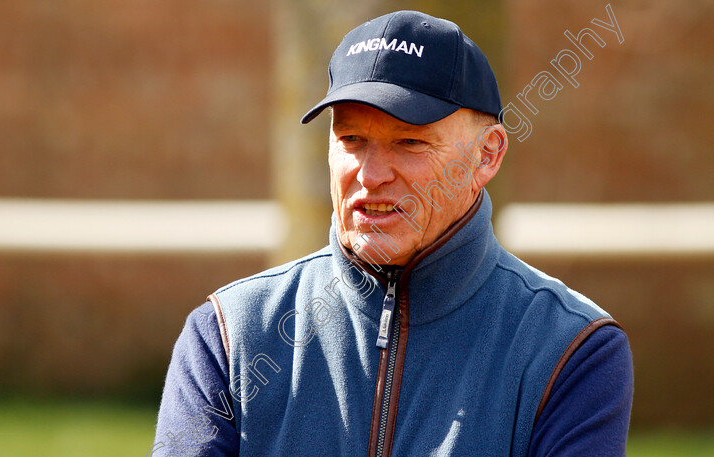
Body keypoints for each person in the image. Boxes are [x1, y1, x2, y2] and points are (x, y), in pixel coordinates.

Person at [151, 10, 633, 457]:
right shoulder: (227, 337)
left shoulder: (574, 351)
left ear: (488, 154)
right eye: (351, 140)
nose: (371, 173)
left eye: (409, 142)